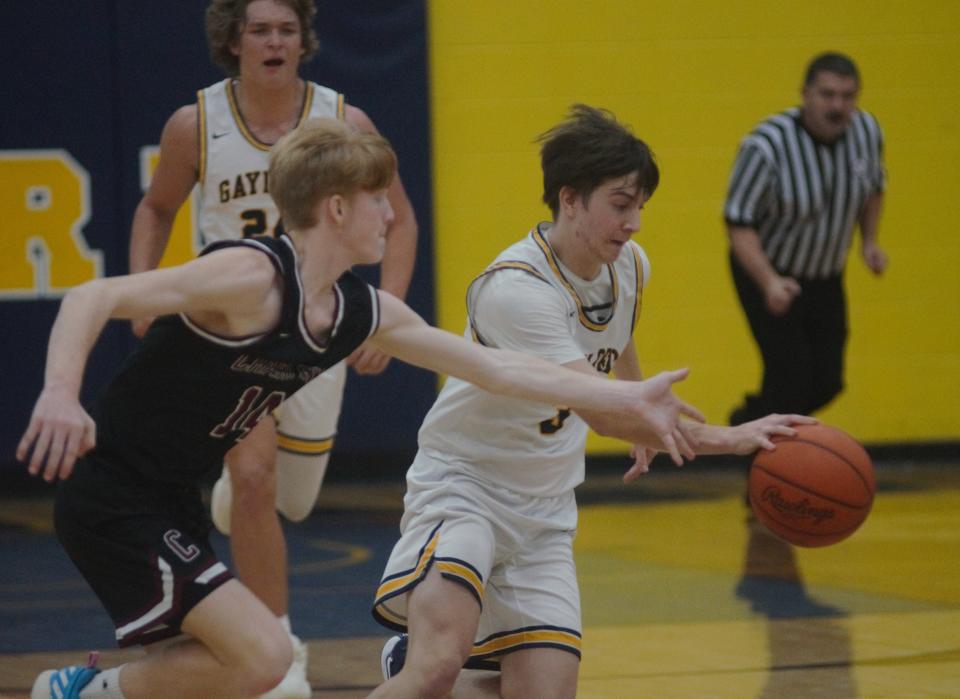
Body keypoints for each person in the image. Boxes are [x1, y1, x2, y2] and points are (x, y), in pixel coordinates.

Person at [21, 118, 703, 699]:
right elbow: (92, 297)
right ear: (338, 209)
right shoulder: (251, 277)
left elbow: (497, 365)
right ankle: (82, 690)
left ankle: (93, 688)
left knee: (224, 672)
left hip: (173, 498)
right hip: (114, 493)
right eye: (379, 199)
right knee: (266, 656)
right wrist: (58, 392)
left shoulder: (357, 310)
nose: (392, 214)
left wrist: (622, 395)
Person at [369, 105, 814, 699]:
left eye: (640, 208)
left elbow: (619, 371)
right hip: (466, 489)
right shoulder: (516, 291)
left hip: (544, 512)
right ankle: (413, 661)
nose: (633, 223)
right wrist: (731, 438)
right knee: (437, 668)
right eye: (620, 204)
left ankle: (409, 662)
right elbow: (603, 408)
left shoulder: (627, 266)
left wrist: (642, 416)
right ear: (570, 198)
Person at [127, 2, 418, 695]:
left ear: (303, 41)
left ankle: (240, 498)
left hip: (317, 325)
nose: (275, 41)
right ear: (234, 40)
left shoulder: (344, 123)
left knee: (292, 499)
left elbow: (400, 219)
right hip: (234, 323)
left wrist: (385, 313)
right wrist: (143, 286)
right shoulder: (194, 125)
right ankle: (282, 649)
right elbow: (156, 207)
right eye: (260, 28)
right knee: (254, 474)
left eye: (287, 28)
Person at [725, 51, 887, 427]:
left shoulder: (867, 132)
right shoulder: (766, 146)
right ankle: (764, 467)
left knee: (829, 380)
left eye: (848, 96)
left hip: (825, 274)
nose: (838, 106)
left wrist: (870, 242)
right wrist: (769, 282)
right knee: (790, 376)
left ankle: (747, 422)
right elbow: (737, 222)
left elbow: (875, 188)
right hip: (768, 270)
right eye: (828, 95)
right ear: (805, 94)